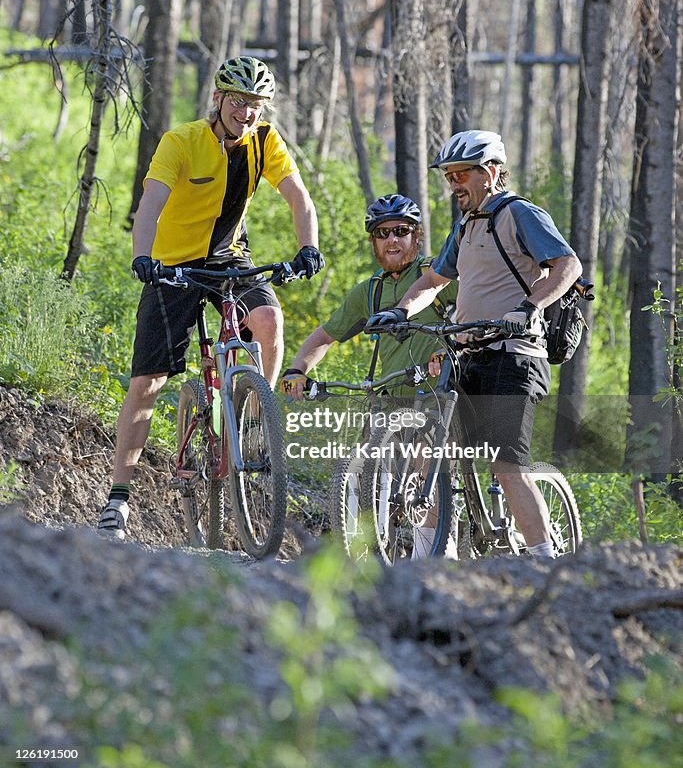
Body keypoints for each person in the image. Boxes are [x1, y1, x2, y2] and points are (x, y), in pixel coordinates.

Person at [97, 56, 324, 539]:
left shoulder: (264, 142)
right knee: (148, 382)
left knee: (268, 320)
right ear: (218, 99)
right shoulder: (181, 141)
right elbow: (151, 205)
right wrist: (144, 257)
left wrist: (308, 247)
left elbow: (299, 197)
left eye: (258, 105)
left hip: (230, 258)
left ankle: (256, 422)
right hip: (173, 265)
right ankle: (118, 500)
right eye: (239, 102)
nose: (248, 113)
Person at [367, 130, 582, 558]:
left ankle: (547, 564)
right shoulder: (466, 226)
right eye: (448, 176)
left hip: (514, 356)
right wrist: (402, 310)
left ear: (490, 172)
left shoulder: (519, 213)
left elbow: (567, 264)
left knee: (506, 466)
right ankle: (428, 559)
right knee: (430, 455)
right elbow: (434, 280)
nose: (453, 184)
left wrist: (529, 307)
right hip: (466, 356)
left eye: (461, 174)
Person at [279, 193, 458, 402]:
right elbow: (324, 336)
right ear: (373, 241)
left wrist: (452, 353)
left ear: (416, 236)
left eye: (401, 231)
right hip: (392, 407)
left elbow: (480, 307)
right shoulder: (370, 291)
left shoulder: (436, 274)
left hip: (441, 403)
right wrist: (296, 370)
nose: (392, 239)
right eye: (382, 233)